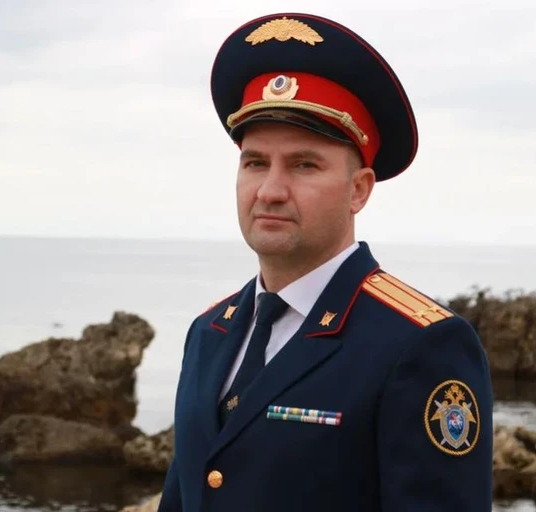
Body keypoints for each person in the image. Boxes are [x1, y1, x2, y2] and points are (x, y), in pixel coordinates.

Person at [158, 12, 493, 512]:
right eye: (255, 163)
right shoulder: (209, 332)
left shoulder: (419, 345)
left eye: (303, 165)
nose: (270, 190)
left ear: (358, 190)